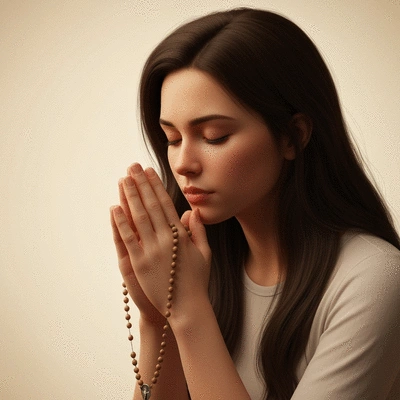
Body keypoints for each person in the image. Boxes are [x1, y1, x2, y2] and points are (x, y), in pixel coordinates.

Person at [109, 7, 400, 400]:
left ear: (292, 136)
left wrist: (186, 308)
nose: (182, 164)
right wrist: (155, 317)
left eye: (213, 136)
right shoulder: (202, 264)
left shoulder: (373, 278)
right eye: (172, 139)